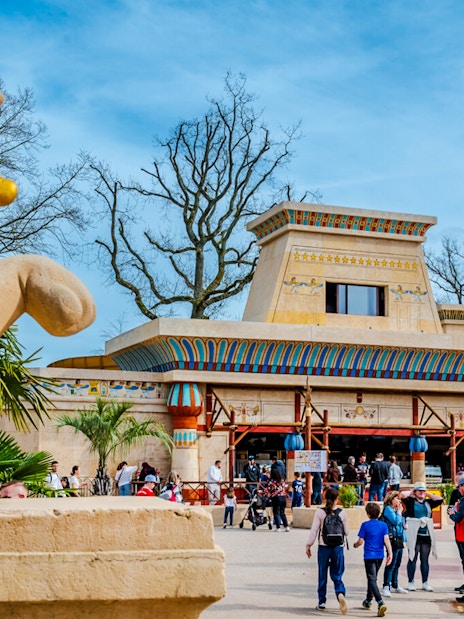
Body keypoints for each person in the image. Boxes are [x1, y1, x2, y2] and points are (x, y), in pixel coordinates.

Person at [305, 487, 349, 613]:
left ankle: (322, 601)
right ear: (337, 499)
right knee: (337, 574)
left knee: (322, 574)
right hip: (338, 548)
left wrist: (308, 545)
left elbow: (314, 530)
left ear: (325, 497)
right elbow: (346, 532)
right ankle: (340, 593)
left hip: (323, 546)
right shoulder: (342, 513)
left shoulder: (320, 512)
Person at [400, 481, 443, 592]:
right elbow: (403, 495)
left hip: (426, 534)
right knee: (412, 558)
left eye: (423, 490)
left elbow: (440, 499)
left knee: (424, 559)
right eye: (419, 491)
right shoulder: (411, 501)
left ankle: (425, 582)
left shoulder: (429, 502)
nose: (421, 493)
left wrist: (427, 494)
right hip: (414, 534)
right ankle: (411, 582)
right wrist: (412, 491)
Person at [354, 502, 392, 617]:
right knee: (372, 578)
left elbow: (360, 541)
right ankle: (368, 600)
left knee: (371, 579)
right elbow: (386, 540)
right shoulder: (383, 525)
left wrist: (355, 545)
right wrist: (390, 553)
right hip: (380, 556)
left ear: (368, 514)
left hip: (369, 556)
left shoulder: (365, 525)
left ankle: (380, 602)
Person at [381, 491, 408, 596]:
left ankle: (395, 585)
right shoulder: (388, 509)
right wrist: (400, 512)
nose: (399, 501)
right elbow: (395, 521)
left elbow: (402, 523)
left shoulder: (396, 510)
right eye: (397, 499)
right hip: (392, 540)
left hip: (399, 539)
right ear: (391, 500)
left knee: (397, 563)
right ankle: (386, 586)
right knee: (391, 563)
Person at [447, 476, 464, 600]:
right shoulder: (459, 498)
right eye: (460, 486)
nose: (461, 488)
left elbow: (458, 517)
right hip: (460, 533)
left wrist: (452, 514)